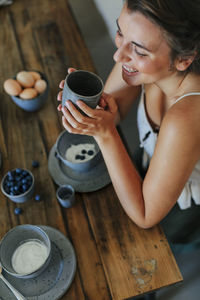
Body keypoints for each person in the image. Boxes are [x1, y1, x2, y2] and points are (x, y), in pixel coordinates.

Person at [57, 0, 200, 252]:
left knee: (163, 248)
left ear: (184, 59)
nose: (118, 55)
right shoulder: (140, 63)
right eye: (121, 32)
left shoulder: (186, 119)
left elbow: (145, 215)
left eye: (140, 51)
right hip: (148, 162)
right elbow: (113, 109)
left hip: (185, 206)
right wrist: (83, 105)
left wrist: (105, 134)